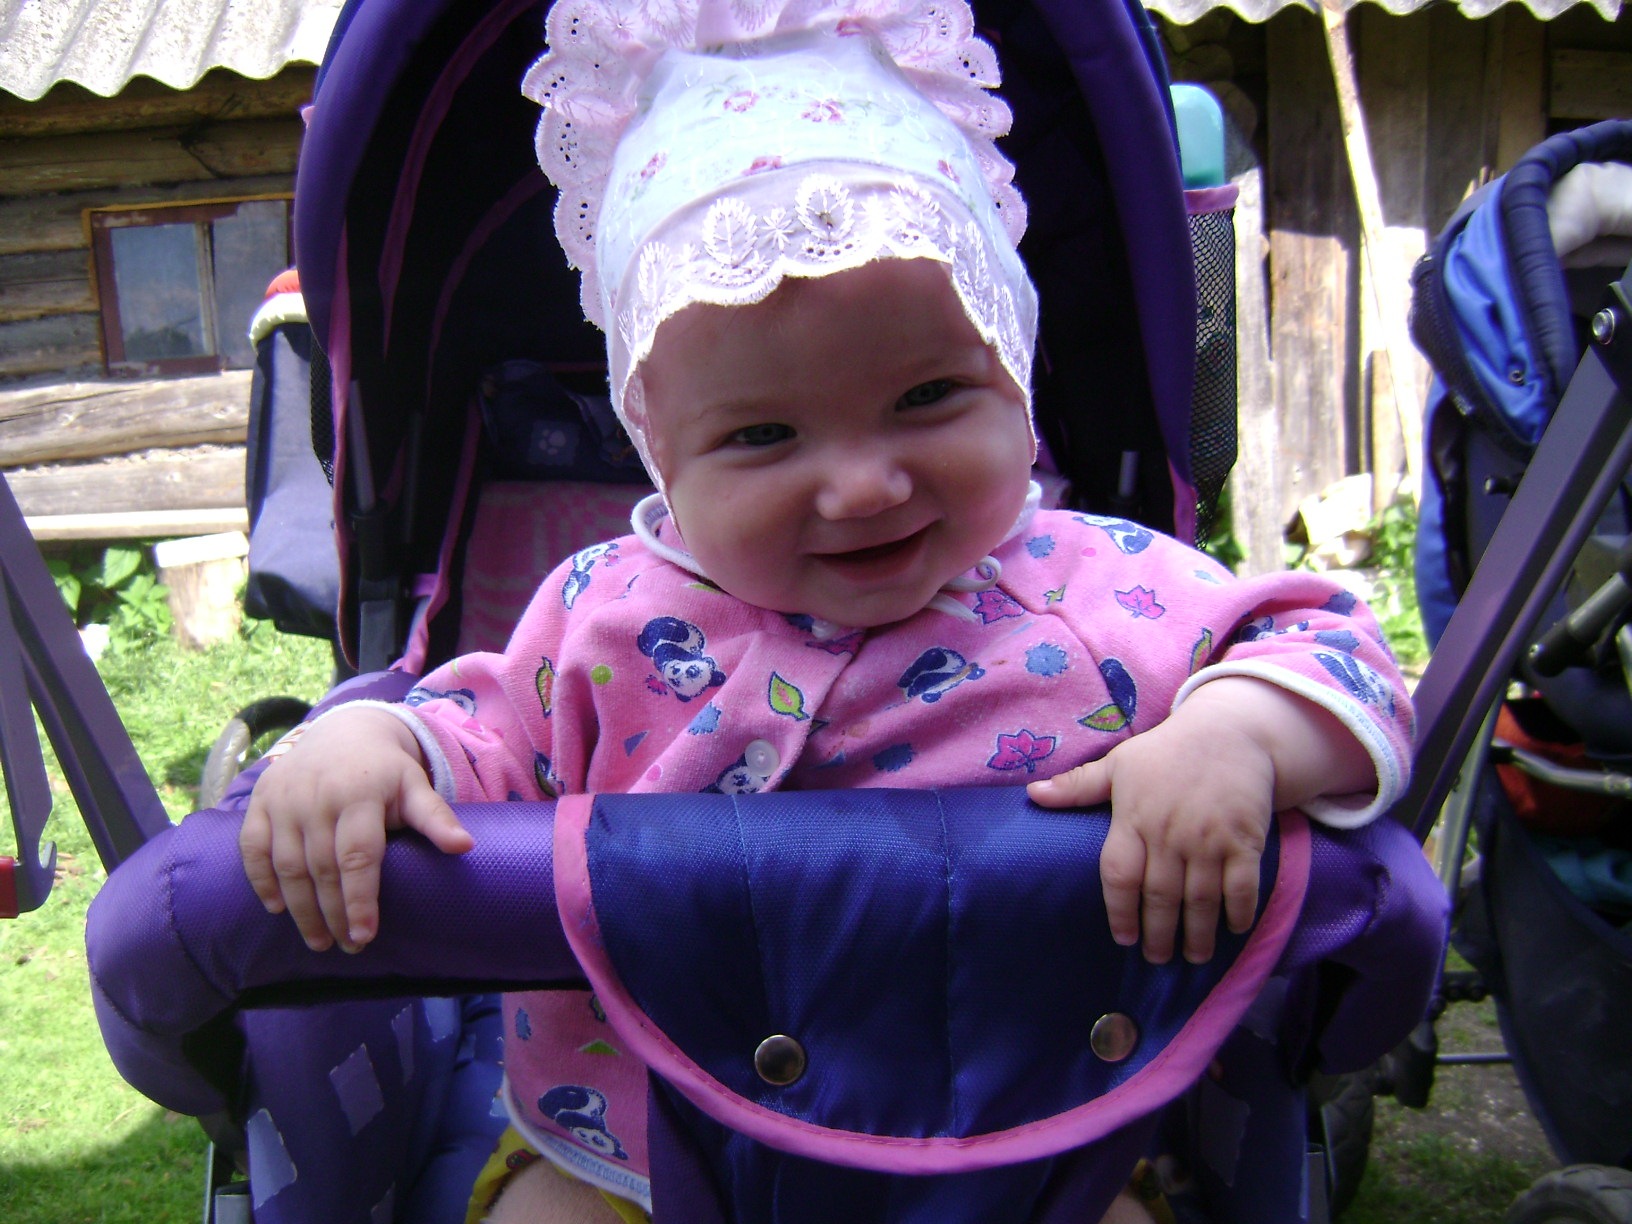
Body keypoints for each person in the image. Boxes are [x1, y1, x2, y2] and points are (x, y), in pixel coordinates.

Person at [238, 0, 1413, 1219]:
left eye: (927, 397)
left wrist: (1235, 734)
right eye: (762, 435)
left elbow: (1331, 647)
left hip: (1031, 1149)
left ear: (1015, 372)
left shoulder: (1105, 588)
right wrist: (372, 741)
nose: (862, 485)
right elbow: (479, 736)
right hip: (636, 1152)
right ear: (660, 453)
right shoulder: (602, 619)